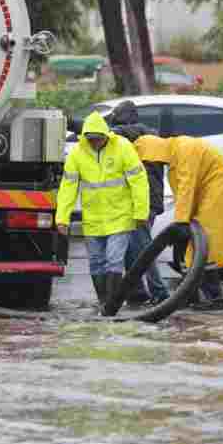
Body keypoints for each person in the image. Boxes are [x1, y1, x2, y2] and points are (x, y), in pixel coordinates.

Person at [133, 134, 223, 311]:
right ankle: (190, 296)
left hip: (219, 187)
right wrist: (181, 222)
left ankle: (215, 298)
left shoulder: (184, 149)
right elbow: (182, 192)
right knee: (190, 243)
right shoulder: (174, 159)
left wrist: (181, 222)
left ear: (154, 151)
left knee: (204, 241)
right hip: (208, 189)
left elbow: (187, 186)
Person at [55, 111, 150, 308]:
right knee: (96, 264)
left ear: (106, 136)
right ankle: (104, 303)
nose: (94, 143)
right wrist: (62, 218)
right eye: (90, 139)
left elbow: (139, 181)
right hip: (93, 219)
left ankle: (112, 306)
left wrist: (141, 212)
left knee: (114, 261)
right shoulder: (77, 153)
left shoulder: (123, 147)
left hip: (120, 216)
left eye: (97, 139)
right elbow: (68, 187)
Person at [105, 101, 171, 306]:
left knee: (143, 249)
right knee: (130, 248)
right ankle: (136, 291)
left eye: (116, 117)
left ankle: (159, 292)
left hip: (144, 203)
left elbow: (120, 131)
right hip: (141, 201)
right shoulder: (142, 138)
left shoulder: (142, 134)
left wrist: (104, 129)